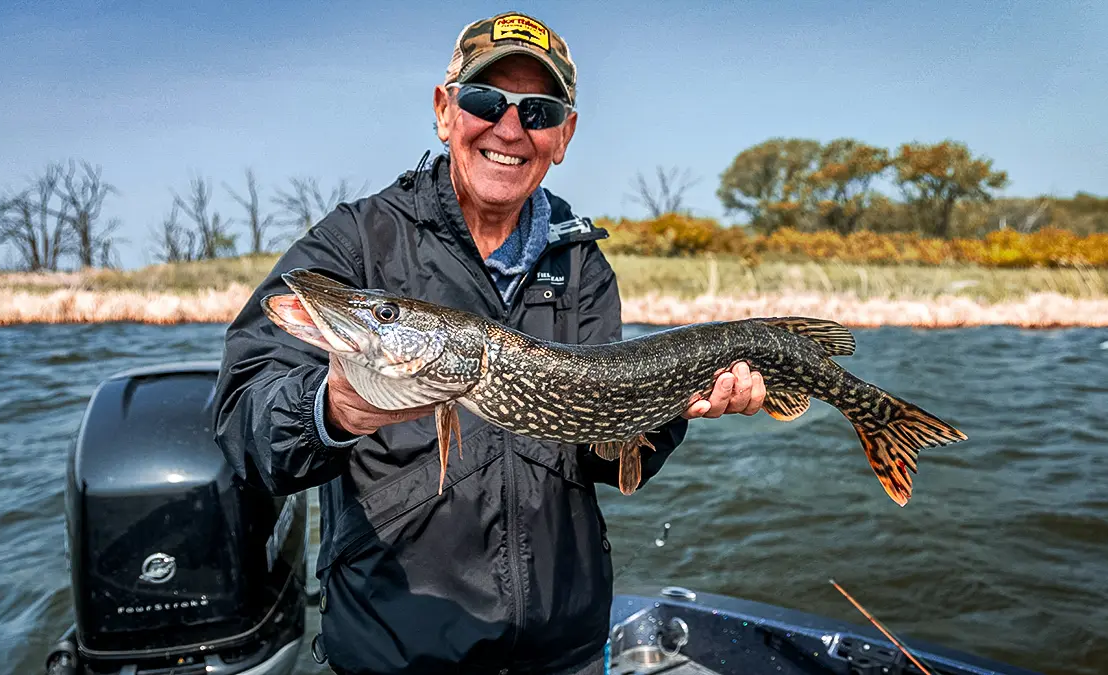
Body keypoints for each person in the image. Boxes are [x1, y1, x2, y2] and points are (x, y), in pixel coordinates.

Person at [212, 11, 766, 675]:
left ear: (563, 135)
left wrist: (672, 406)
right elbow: (242, 427)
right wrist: (327, 410)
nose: (509, 128)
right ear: (445, 111)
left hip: (563, 653)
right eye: (484, 100)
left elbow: (610, 461)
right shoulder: (354, 241)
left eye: (538, 111)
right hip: (399, 656)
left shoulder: (582, 265)